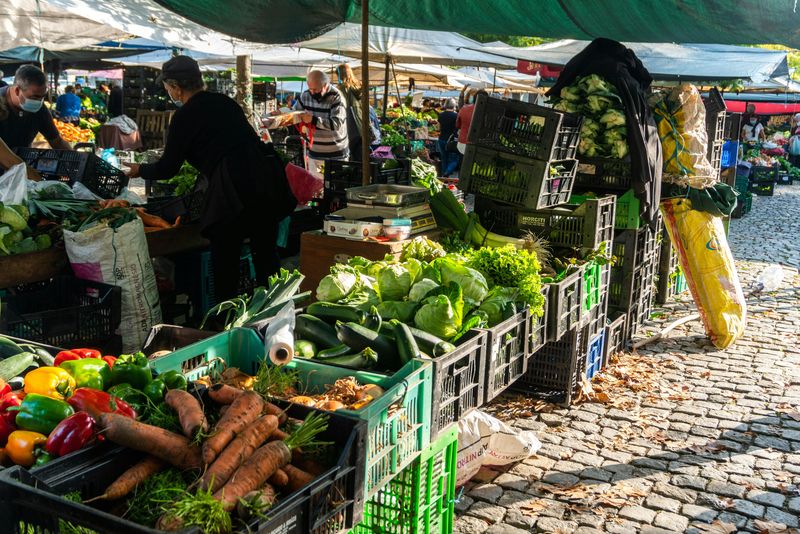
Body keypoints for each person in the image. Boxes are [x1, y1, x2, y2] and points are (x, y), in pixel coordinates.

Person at [124, 56, 296, 302]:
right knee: (266, 256)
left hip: (233, 188)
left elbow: (168, 168)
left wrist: (140, 170)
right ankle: (276, 316)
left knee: (225, 259)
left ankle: (226, 322)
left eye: (167, 86)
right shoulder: (225, 102)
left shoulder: (184, 116)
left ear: (175, 87)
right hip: (264, 180)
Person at [0, 65, 71, 151]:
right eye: (35, 97)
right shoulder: (1, 102)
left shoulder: (40, 109)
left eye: (42, 97)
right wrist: (18, 163)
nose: (39, 101)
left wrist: (78, 159)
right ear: (17, 91)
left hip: (22, 160)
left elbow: (57, 141)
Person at [294, 69, 348, 177]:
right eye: (310, 88)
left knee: (335, 188)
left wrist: (313, 120)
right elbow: (295, 114)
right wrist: (283, 114)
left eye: (315, 89)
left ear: (325, 85)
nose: (312, 92)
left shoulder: (337, 97)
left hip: (337, 155)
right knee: (317, 188)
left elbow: (336, 124)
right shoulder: (305, 96)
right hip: (315, 154)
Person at [335, 63, 368, 160]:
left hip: (349, 126)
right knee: (361, 155)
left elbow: (340, 107)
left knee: (350, 155)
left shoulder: (341, 88)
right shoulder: (359, 86)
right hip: (362, 125)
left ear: (339, 75)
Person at [455, 89, 487, 155]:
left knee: (461, 162)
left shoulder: (464, 108)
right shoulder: (486, 112)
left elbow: (457, 125)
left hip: (462, 143)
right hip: (476, 145)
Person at [438, 98, 459, 177]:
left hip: (441, 139)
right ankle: (447, 172)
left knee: (444, 158)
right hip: (452, 141)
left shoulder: (441, 114)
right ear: (454, 105)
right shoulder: (456, 115)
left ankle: (444, 177)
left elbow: (439, 128)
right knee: (454, 159)